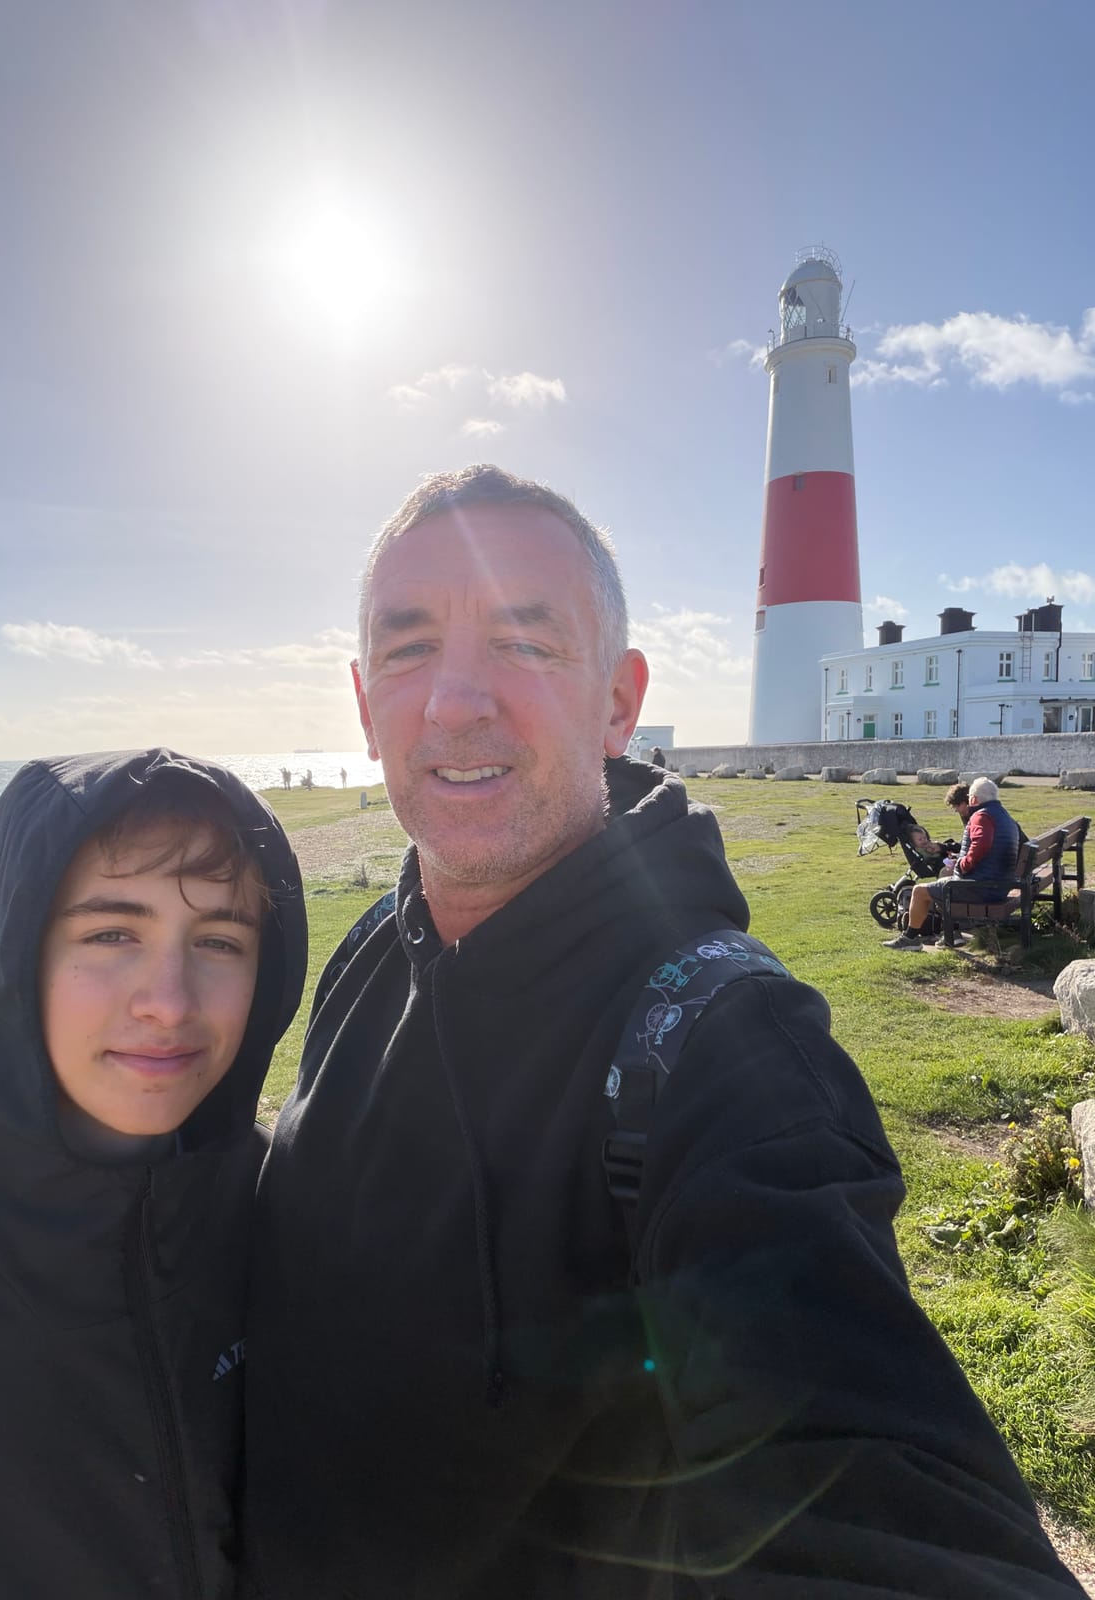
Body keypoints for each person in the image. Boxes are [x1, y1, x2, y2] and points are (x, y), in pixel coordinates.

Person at [244, 466, 1080, 1598]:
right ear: (360, 700)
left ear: (619, 701)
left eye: (525, 642)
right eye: (406, 649)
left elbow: (909, 1523)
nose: (452, 700)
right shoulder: (364, 959)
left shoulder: (723, 1047)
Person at [0, 749, 307, 1599]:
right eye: (111, 933)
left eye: (220, 940)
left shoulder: (289, 1213)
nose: (170, 1000)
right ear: (14, 958)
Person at [884, 776, 1021, 950]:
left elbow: (982, 844)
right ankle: (950, 933)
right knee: (942, 883)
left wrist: (962, 865)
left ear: (973, 799)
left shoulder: (982, 816)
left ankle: (910, 939)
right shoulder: (1005, 817)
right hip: (998, 886)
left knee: (919, 891)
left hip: (980, 888)